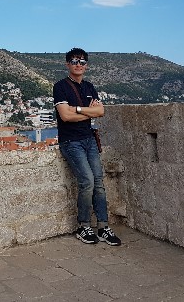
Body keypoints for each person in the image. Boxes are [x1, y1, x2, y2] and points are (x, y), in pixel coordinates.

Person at [53, 47, 121, 246]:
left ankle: (103, 227)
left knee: (99, 182)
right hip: (71, 141)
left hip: (89, 140)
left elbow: (100, 112)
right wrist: (87, 111)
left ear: (86, 65)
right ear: (68, 64)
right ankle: (83, 226)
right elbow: (65, 116)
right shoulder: (60, 87)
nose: (78, 64)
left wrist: (77, 110)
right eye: (74, 61)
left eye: (82, 62)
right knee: (87, 182)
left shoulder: (89, 87)